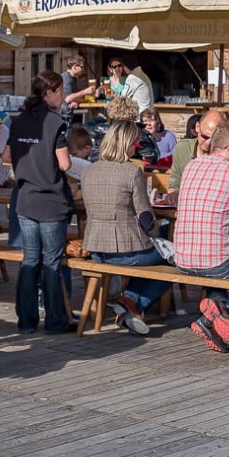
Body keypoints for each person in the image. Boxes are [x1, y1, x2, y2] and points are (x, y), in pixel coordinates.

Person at [173, 123, 229, 352]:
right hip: (216, 260)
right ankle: (220, 315)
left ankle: (215, 308)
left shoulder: (192, 166)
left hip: (183, 258)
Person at [80, 121, 168, 335]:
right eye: (135, 144)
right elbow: (146, 217)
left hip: (97, 250)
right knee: (174, 261)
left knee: (151, 256)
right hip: (125, 251)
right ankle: (134, 303)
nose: (136, 148)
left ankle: (130, 301)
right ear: (126, 144)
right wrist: (159, 235)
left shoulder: (88, 171)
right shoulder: (131, 172)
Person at [5, 71, 75, 334]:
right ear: (48, 93)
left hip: (25, 198)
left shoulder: (19, 120)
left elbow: (8, 156)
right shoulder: (55, 122)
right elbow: (65, 163)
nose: (63, 96)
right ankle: (56, 321)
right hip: (50, 201)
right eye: (59, 91)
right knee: (52, 263)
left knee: (30, 260)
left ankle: (26, 320)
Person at [167, 110, 225, 200]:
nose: (209, 143)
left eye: (214, 139)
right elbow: (174, 180)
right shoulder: (183, 148)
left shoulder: (225, 155)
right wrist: (173, 194)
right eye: (205, 136)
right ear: (197, 127)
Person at [60, 54, 96, 120]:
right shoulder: (66, 78)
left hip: (69, 115)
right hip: (64, 117)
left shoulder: (73, 78)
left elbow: (73, 97)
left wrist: (75, 101)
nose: (83, 69)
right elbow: (68, 98)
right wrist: (85, 91)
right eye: (82, 67)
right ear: (74, 67)